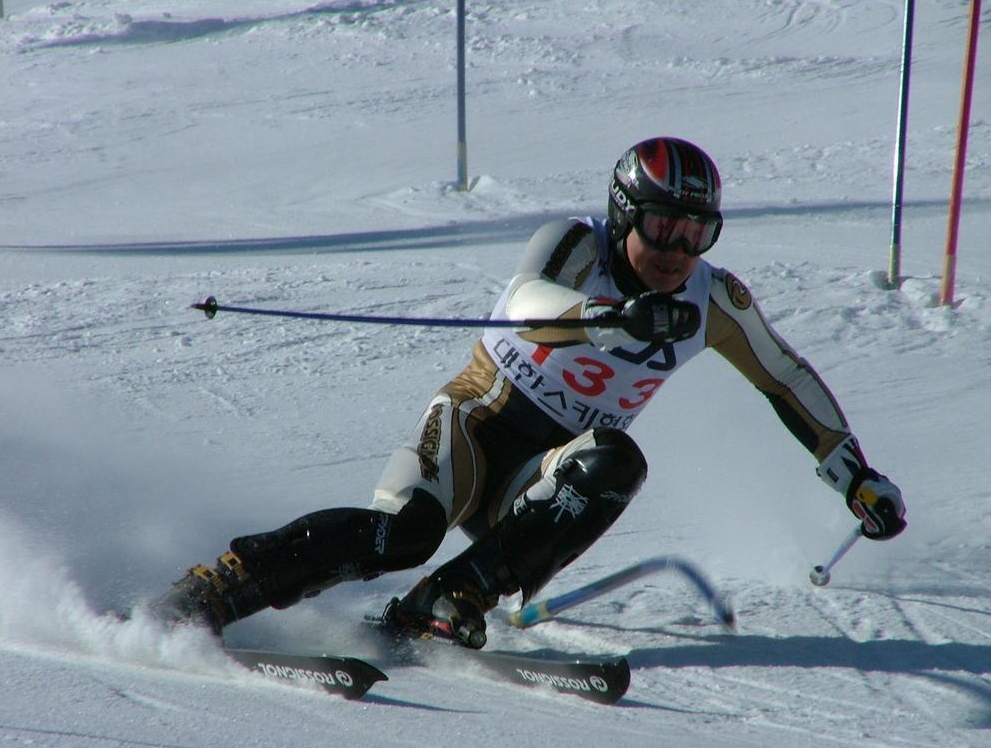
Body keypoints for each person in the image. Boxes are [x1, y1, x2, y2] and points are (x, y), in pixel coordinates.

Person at [151, 137, 907, 647]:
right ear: (622, 215)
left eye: (696, 233)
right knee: (403, 536)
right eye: (660, 228)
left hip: (541, 475)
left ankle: (451, 599)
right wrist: (611, 315)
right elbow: (525, 304)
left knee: (616, 459)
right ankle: (223, 585)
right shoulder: (578, 247)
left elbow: (787, 377)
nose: (677, 252)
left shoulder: (715, 301)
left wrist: (855, 475)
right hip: (476, 427)